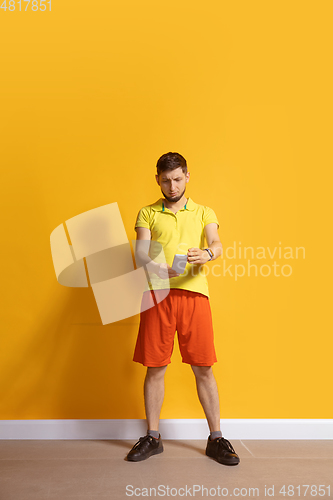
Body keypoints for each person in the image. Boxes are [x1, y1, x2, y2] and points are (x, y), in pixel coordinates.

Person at [126, 152, 240, 466]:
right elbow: (141, 253)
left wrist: (207, 253)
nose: (172, 185)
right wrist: (158, 268)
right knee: (155, 367)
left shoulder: (204, 211)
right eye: (165, 180)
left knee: (203, 367)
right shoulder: (148, 212)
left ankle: (216, 438)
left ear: (187, 176)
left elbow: (216, 243)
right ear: (157, 179)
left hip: (194, 297)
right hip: (158, 296)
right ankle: (152, 436)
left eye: (177, 179)